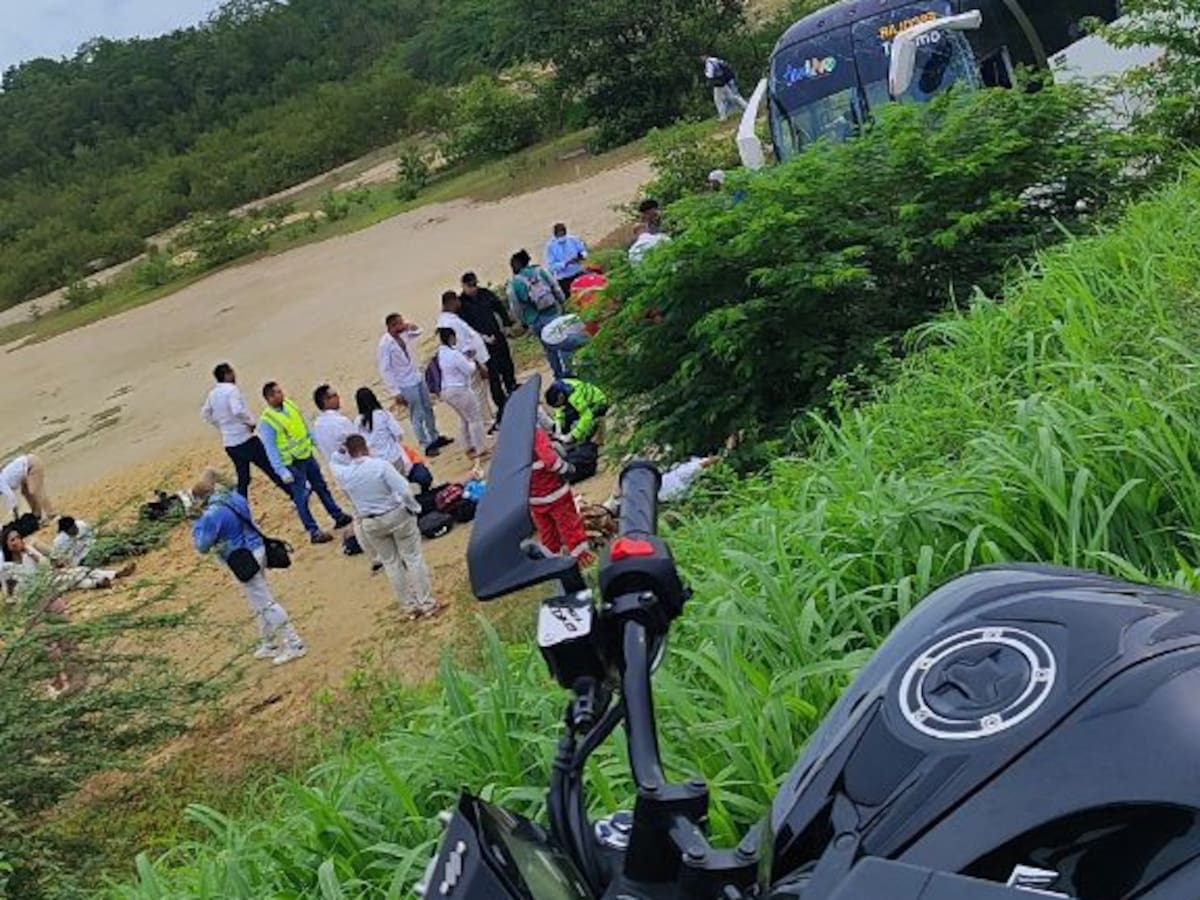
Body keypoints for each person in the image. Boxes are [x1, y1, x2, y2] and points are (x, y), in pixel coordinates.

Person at [191, 469, 306, 665]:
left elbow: (203, 545)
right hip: (257, 548)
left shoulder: (213, 514)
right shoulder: (234, 497)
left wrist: (196, 521)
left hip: (241, 557)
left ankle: (294, 643)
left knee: (265, 602)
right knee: (257, 600)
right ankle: (269, 642)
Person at [329, 435, 439, 620]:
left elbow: (333, 462)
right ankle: (427, 603)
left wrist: (339, 452)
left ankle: (409, 607)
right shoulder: (380, 466)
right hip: (394, 514)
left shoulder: (345, 475)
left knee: (391, 564)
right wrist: (413, 508)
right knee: (413, 558)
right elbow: (403, 489)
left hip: (370, 522)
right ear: (366, 448)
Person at [259, 381, 353, 544]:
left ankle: (337, 515)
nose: (281, 394)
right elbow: (270, 447)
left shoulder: (289, 405)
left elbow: (303, 425)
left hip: (306, 455)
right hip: (291, 463)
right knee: (301, 497)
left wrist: (315, 442)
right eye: (277, 393)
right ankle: (313, 531)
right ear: (269, 397)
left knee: (321, 487)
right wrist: (281, 470)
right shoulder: (268, 421)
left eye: (280, 391)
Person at [311, 384, 381, 571]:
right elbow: (358, 442)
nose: (338, 397)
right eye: (333, 395)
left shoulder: (317, 425)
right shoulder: (340, 422)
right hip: (356, 469)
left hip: (340, 473)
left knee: (359, 515)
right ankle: (379, 552)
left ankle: (374, 556)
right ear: (325, 401)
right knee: (372, 510)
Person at [202, 362, 290, 499]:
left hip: (230, 444)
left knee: (244, 478)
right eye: (232, 372)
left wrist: (221, 426)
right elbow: (237, 410)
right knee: (270, 468)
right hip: (245, 439)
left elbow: (205, 414)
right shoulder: (232, 390)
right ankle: (293, 493)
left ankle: (240, 506)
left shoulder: (213, 394)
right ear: (227, 374)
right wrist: (250, 422)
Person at [377, 313, 451, 457]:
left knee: (428, 407)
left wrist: (411, 326)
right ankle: (425, 443)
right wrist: (395, 391)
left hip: (416, 376)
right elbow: (385, 369)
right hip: (404, 383)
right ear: (391, 326)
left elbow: (419, 332)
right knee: (417, 414)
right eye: (399, 323)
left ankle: (435, 436)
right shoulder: (385, 344)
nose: (402, 325)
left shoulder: (405, 334)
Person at [2, 524, 133, 596]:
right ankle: (106, 578)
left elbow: (45, 566)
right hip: (37, 590)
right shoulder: (7, 566)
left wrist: (31, 554)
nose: (17, 541)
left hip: (48, 578)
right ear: (6, 544)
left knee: (75, 575)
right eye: (12, 540)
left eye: (18, 537)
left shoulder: (29, 551)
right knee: (73, 576)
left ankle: (105, 579)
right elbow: (10, 591)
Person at [529, 427, 595, 566]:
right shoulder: (535, 433)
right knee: (570, 526)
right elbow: (551, 461)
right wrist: (567, 468)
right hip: (555, 492)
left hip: (534, 498)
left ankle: (553, 565)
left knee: (547, 534)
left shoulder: (510, 440)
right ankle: (583, 559)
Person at [460, 271, 518, 422]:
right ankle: (502, 405)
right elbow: (465, 329)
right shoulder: (462, 305)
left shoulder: (485, 294)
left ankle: (513, 391)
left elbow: (499, 307)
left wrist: (506, 325)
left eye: (475, 285)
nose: (474, 289)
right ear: (464, 286)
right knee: (493, 375)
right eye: (470, 286)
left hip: (497, 337)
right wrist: (481, 339)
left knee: (507, 366)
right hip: (482, 345)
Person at [354, 386, 434, 491]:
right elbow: (399, 434)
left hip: (376, 462)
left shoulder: (357, 422)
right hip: (393, 457)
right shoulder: (383, 415)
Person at [507, 249, 569, 378]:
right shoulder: (541, 271)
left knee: (549, 349)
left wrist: (523, 321)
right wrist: (563, 303)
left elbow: (515, 307)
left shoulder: (514, 283)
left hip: (535, 320)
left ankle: (559, 375)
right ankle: (569, 370)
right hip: (553, 313)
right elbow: (556, 288)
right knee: (562, 343)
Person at [438, 291, 494, 429]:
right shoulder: (450, 322)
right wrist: (477, 363)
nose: (459, 303)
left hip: (470, 360)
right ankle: (486, 421)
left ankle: (487, 418)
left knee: (480, 391)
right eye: (457, 300)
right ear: (451, 302)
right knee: (478, 392)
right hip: (469, 362)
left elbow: (469, 335)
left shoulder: (450, 319)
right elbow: (463, 345)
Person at [435, 328, 488, 459]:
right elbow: (469, 370)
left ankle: (467, 446)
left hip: (447, 390)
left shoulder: (442, 353)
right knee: (474, 418)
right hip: (459, 389)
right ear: (451, 338)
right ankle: (480, 448)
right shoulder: (454, 354)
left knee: (464, 418)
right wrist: (470, 360)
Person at [545, 378, 610, 446]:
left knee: (584, 431)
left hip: (597, 403)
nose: (559, 406)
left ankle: (593, 433)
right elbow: (559, 410)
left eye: (559, 404)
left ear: (560, 397)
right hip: (584, 403)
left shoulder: (574, 396)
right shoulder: (558, 388)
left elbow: (587, 416)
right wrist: (558, 427)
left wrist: (574, 435)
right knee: (566, 419)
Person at [0, 453, 55, 523]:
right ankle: (37, 515)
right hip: (26, 470)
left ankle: (52, 514)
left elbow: (12, 499)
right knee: (25, 492)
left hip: (32, 465)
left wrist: (16, 517)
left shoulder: (1, 483)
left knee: (34, 491)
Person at [545, 223, 589, 296]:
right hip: (564, 279)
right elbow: (552, 266)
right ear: (555, 235)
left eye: (563, 234)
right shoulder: (550, 246)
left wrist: (581, 256)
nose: (562, 237)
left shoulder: (573, 239)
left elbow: (583, 251)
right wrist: (565, 263)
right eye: (559, 235)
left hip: (578, 272)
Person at [702, 54, 748, 121]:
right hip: (724, 81)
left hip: (718, 84)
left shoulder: (709, 63)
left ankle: (723, 117)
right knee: (732, 97)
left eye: (702, 57)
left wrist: (705, 73)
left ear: (705, 56)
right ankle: (746, 106)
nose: (701, 59)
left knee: (718, 100)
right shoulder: (716, 59)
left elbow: (710, 75)